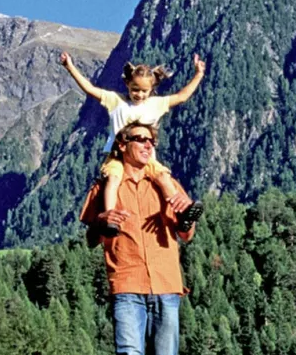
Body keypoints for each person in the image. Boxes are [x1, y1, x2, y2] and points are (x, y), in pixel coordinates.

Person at [79, 121, 197, 355]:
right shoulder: (106, 185)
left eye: (151, 140)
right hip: (127, 283)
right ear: (122, 145)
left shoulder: (165, 183)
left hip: (166, 284)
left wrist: (187, 221)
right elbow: (90, 236)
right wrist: (103, 221)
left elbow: (186, 233)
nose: (147, 145)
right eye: (139, 139)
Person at [60, 51, 206, 230]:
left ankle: (181, 214)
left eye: (144, 91)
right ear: (127, 84)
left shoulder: (156, 104)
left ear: (151, 90)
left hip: (147, 158)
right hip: (117, 155)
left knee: (163, 177)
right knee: (113, 178)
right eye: (135, 89)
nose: (139, 94)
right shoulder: (116, 101)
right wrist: (70, 67)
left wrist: (198, 74)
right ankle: (110, 219)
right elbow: (90, 89)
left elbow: (182, 96)